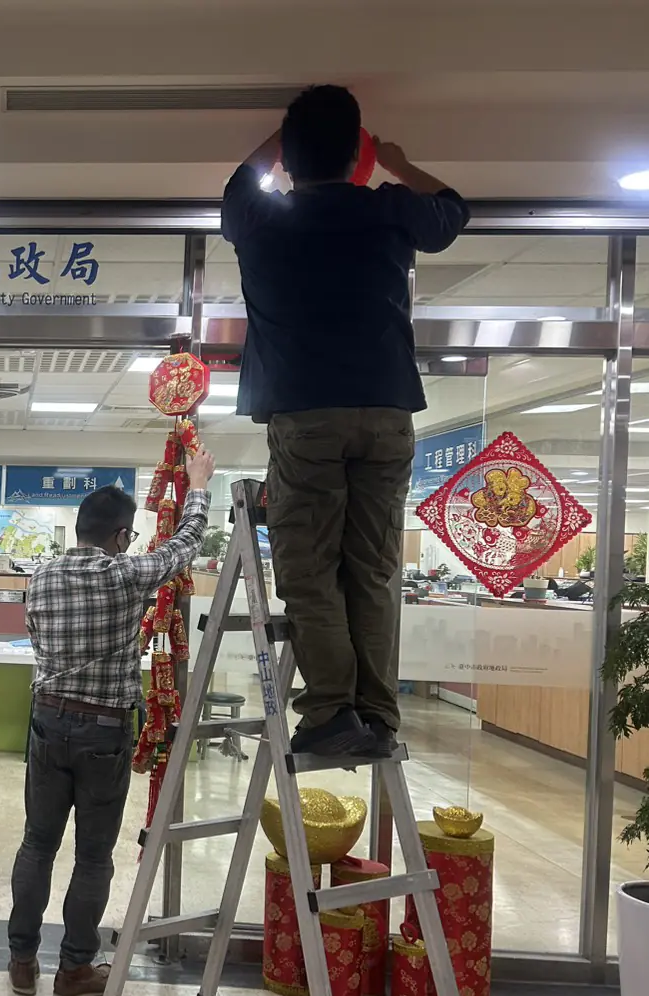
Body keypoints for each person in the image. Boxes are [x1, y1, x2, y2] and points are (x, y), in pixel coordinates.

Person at [221, 84, 470, 758]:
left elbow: (238, 184)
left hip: (306, 411)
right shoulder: (387, 207)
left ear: (289, 155)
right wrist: (396, 161)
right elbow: (453, 211)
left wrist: (279, 141)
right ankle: (377, 717)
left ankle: (331, 712)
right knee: (373, 568)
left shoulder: (263, 218)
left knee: (309, 568)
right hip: (387, 410)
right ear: (355, 152)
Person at [8, 452, 215, 996]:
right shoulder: (124, 575)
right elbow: (183, 547)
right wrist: (197, 487)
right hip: (104, 731)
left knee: (37, 844)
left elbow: (37, 639)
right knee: (93, 856)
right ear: (121, 536)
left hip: (47, 721)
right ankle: (75, 970)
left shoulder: (41, 575)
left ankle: (22, 960)